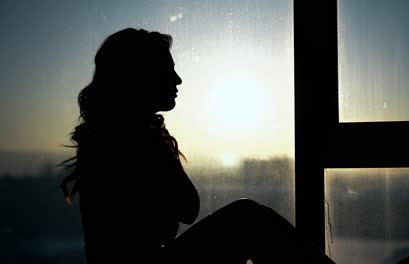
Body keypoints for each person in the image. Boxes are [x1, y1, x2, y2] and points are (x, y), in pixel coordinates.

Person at [60, 28, 334, 264]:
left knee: (247, 218)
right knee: (247, 218)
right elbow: (188, 208)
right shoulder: (130, 143)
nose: (178, 80)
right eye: (168, 71)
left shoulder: (108, 140)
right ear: (141, 78)